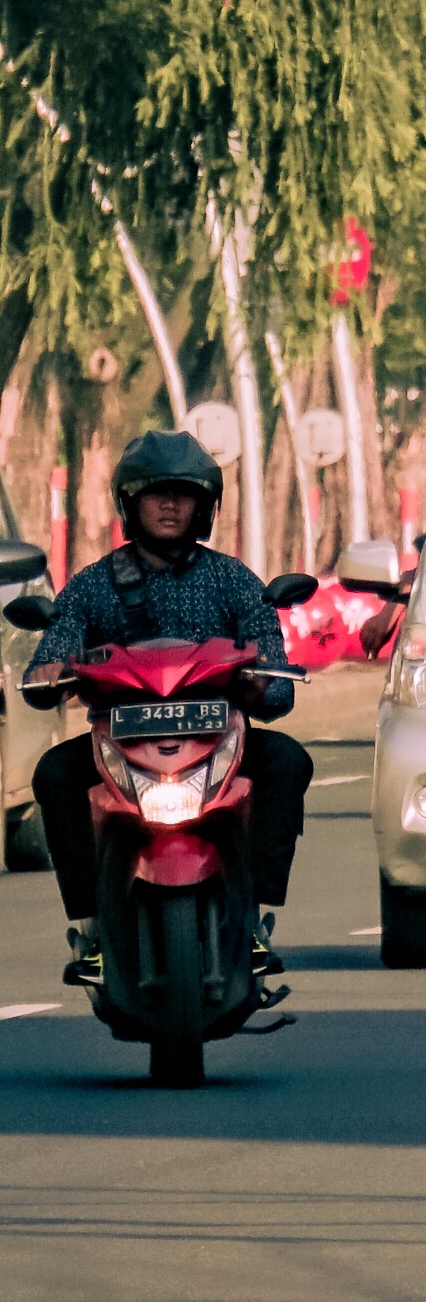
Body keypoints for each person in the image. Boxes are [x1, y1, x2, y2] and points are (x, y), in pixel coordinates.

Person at [25, 426, 313, 998]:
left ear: (204, 507)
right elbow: (46, 662)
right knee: (54, 773)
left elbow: (279, 687)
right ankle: (93, 932)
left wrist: (260, 686)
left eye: (184, 494)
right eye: (156, 494)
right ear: (129, 505)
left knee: (287, 762)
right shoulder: (91, 586)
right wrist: (49, 673)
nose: (170, 504)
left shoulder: (234, 582)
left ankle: (252, 918)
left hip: (218, 743)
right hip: (119, 745)